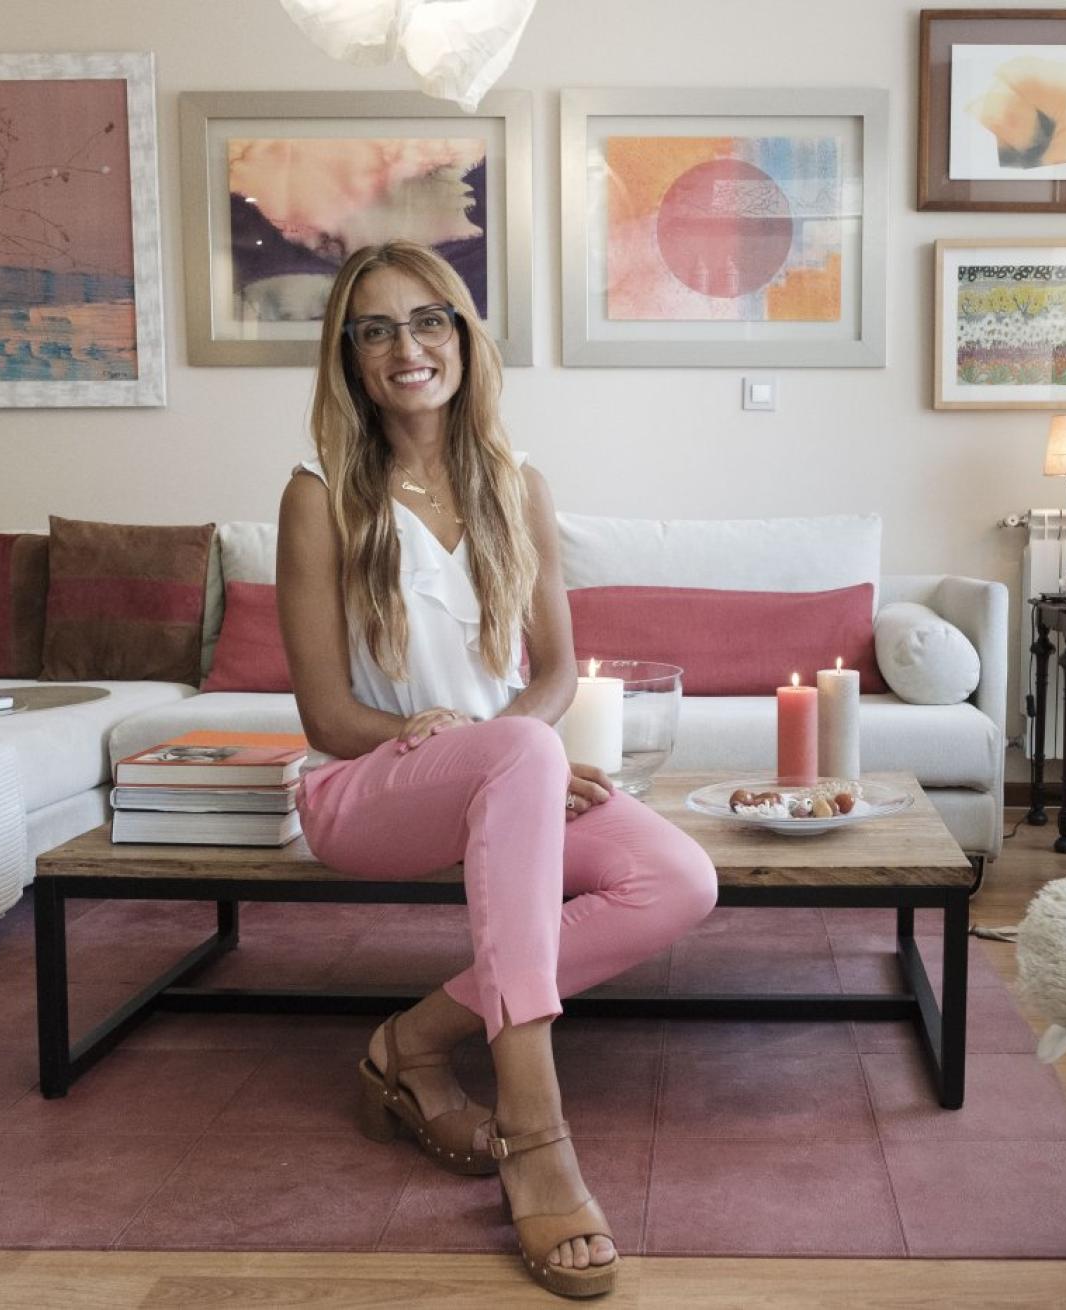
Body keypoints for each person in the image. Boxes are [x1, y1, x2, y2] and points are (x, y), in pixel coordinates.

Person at [276, 240, 718, 1298]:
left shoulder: (517, 487)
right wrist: (481, 753)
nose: (407, 346)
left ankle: (414, 1040)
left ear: (466, 338)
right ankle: (537, 1130)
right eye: (375, 328)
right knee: (519, 748)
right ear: (349, 357)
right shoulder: (319, 496)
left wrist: (506, 754)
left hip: (503, 769)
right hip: (365, 789)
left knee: (679, 879)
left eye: (429, 320)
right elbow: (327, 715)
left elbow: (558, 667)